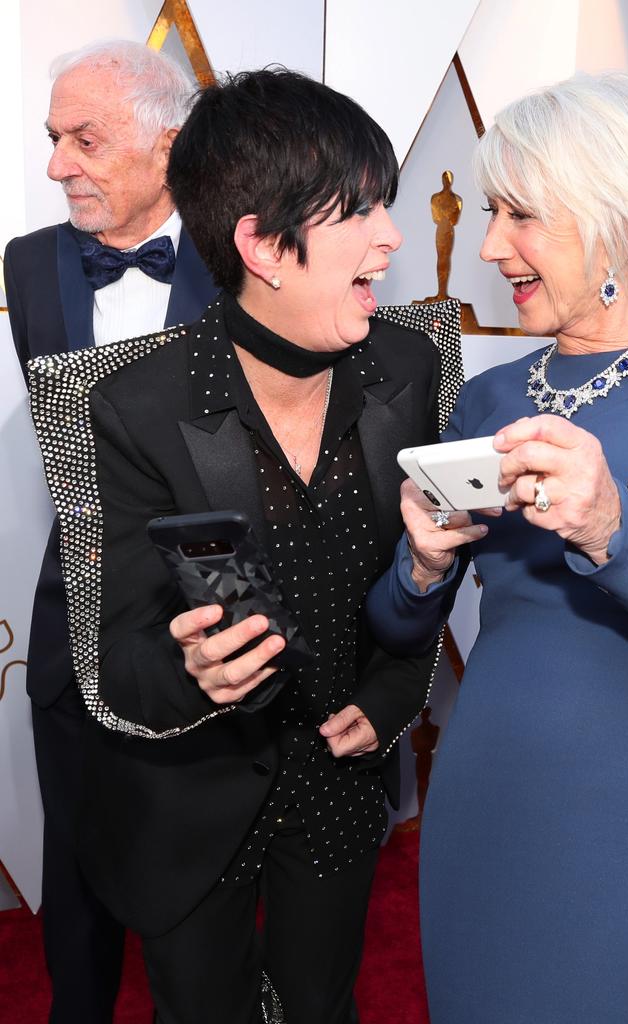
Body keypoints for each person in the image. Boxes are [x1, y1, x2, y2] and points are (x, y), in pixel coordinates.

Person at [28, 68, 440, 1024]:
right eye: (363, 211)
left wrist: (388, 700)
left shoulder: (409, 367)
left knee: (323, 1003)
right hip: (191, 803)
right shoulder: (133, 405)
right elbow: (117, 659)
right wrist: (192, 672)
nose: (393, 237)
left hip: (339, 783)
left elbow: (420, 572)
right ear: (261, 244)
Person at [367, 71, 628, 1024]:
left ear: (615, 218)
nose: (491, 244)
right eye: (493, 212)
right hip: (486, 810)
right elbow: (393, 625)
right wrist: (419, 568)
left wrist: (614, 531)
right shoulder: (492, 398)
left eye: (521, 215)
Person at [3, 40, 216, 1023]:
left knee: (203, 890)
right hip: (69, 623)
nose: (57, 165)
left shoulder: (249, 257)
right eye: (54, 139)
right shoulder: (31, 264)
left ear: (167, 142)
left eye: (84, 139)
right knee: (77, 879)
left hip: (211, 626)